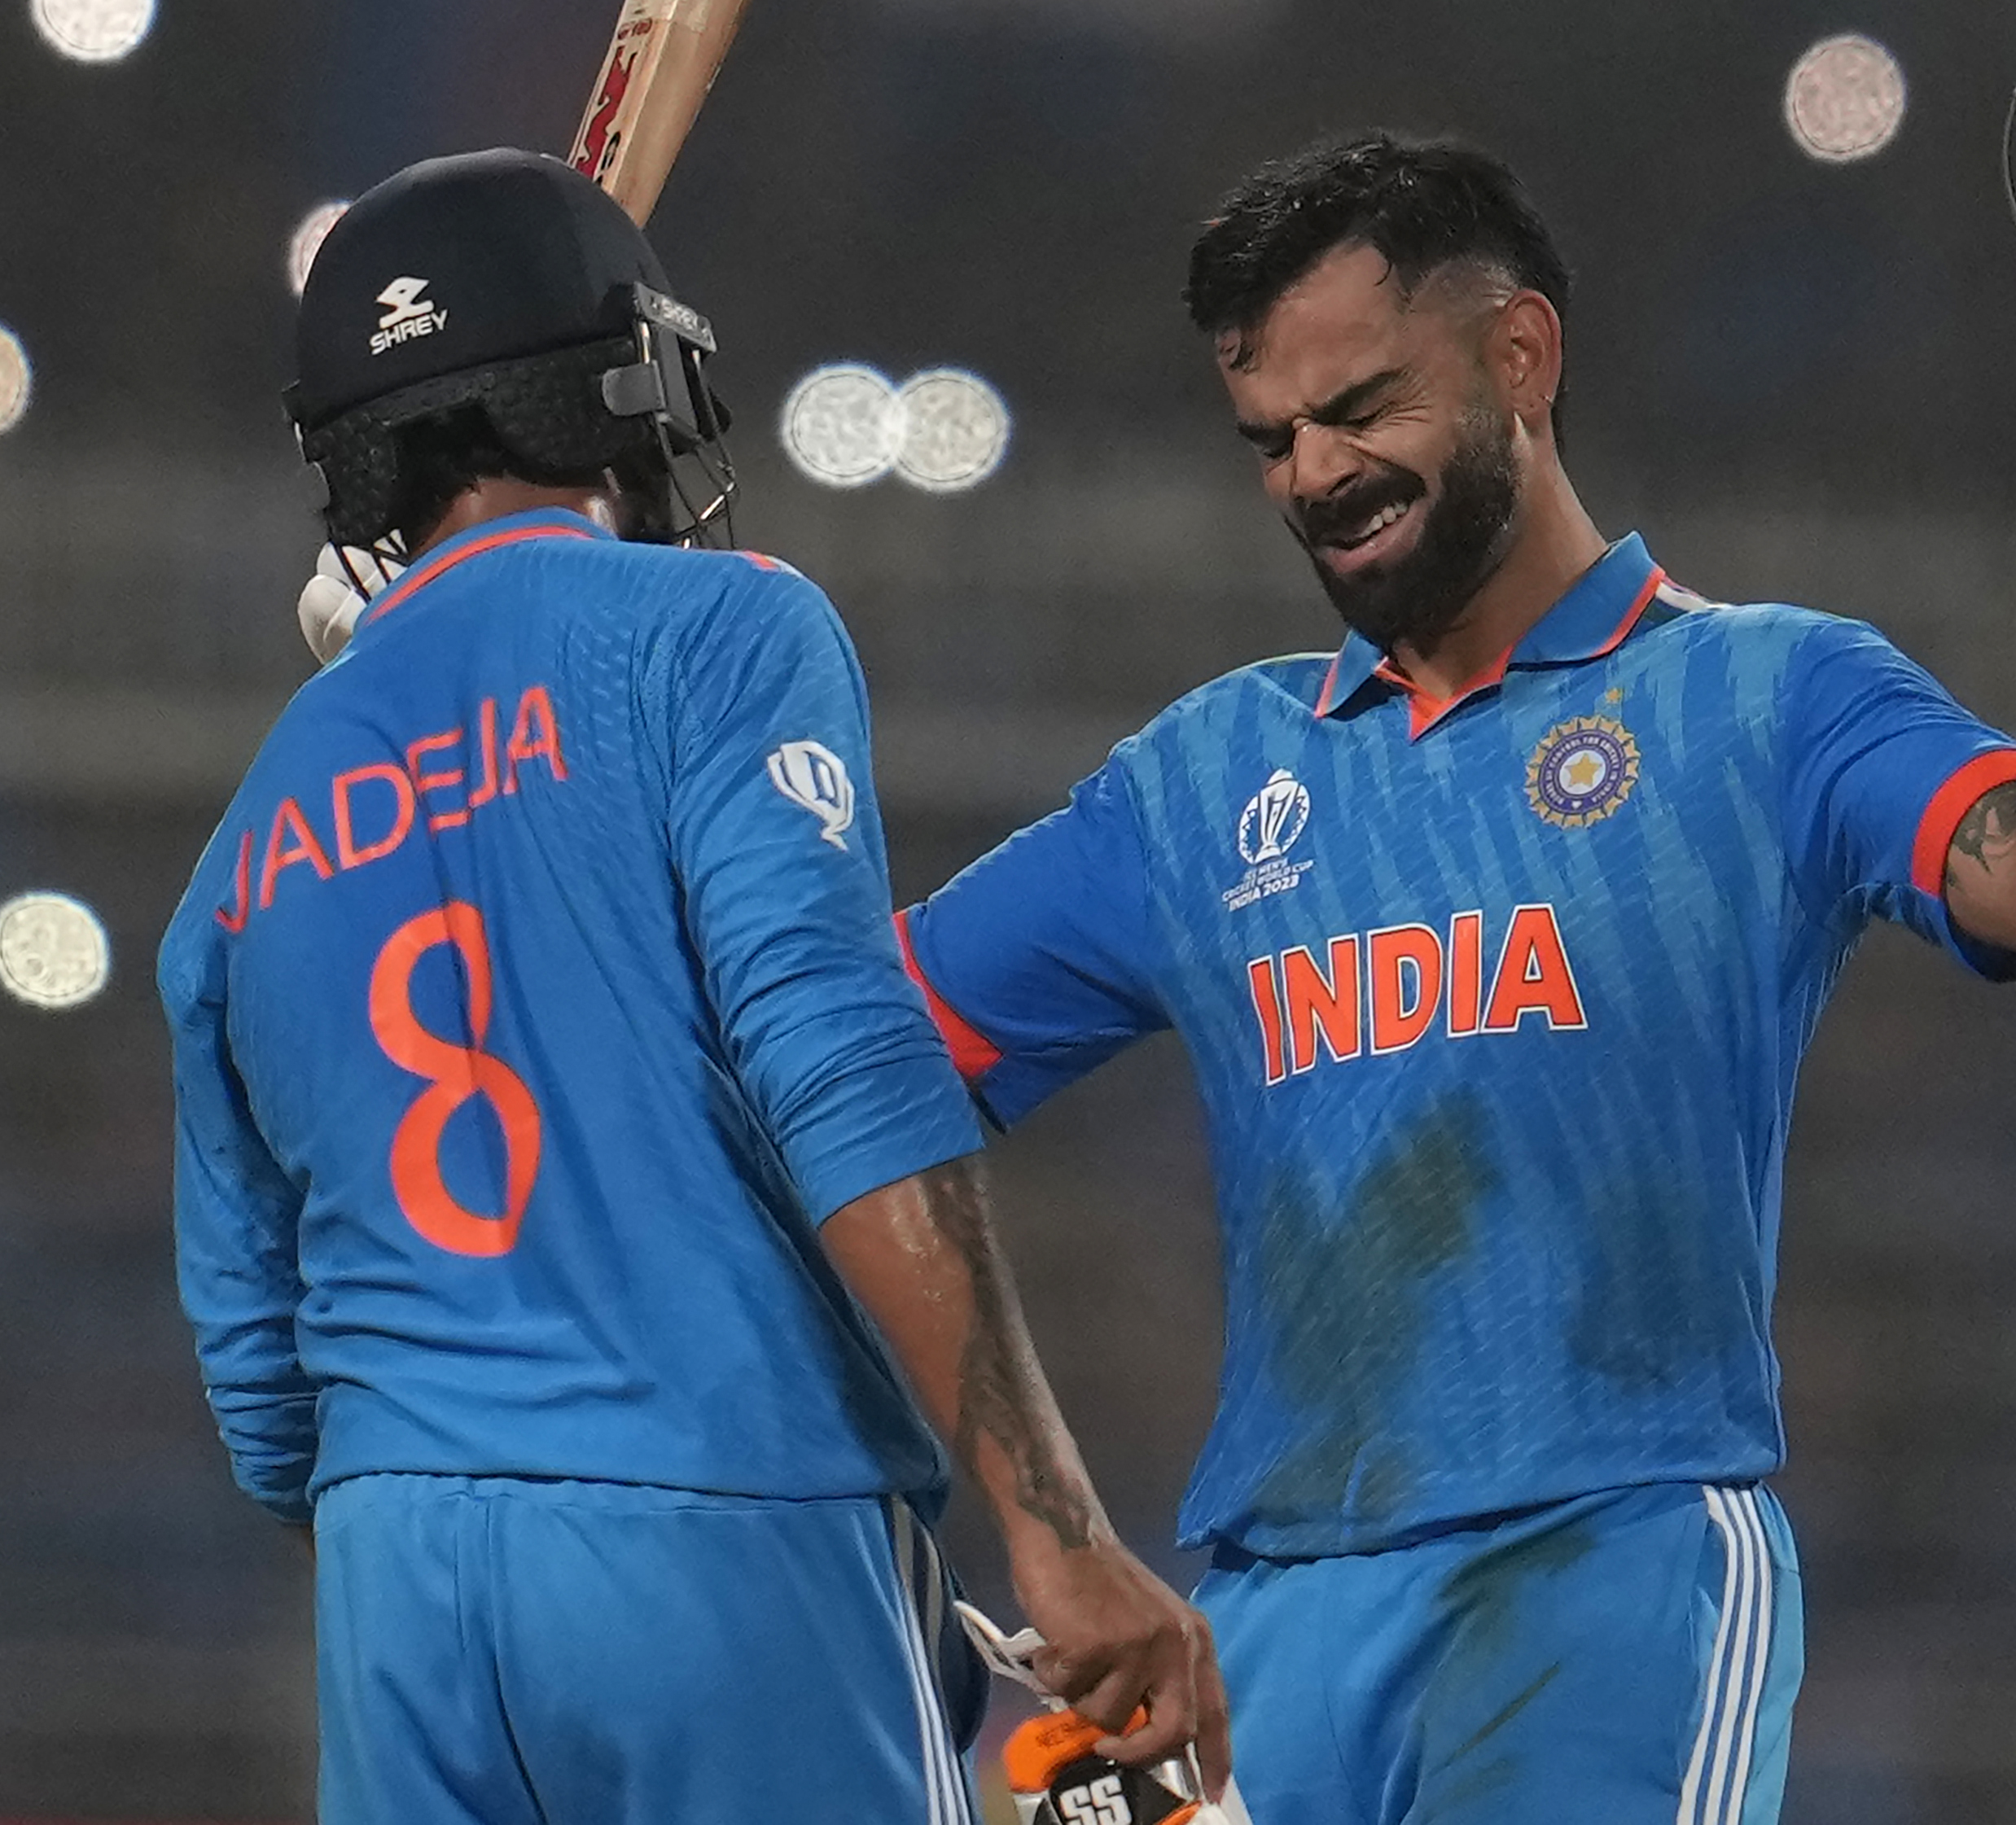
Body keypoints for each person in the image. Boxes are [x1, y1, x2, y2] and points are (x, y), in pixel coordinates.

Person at [898, 0, 2016, 1822]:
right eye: (1272, 438)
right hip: (1264, 1619)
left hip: (1604, 1579)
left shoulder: (1766, 697)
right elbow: (850, 1067)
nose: (1315, 475)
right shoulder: (1204, 779)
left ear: (1520, 356)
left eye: (1362, 406)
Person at [162, 148, 1225, 1823]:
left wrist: (459, 1530)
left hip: (399, 1582)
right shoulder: (718, 631)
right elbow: (840, 1066)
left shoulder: (242, 847)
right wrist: (1059, 1530)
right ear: (627, 385)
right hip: (718, 1511)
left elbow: (256, 1378)